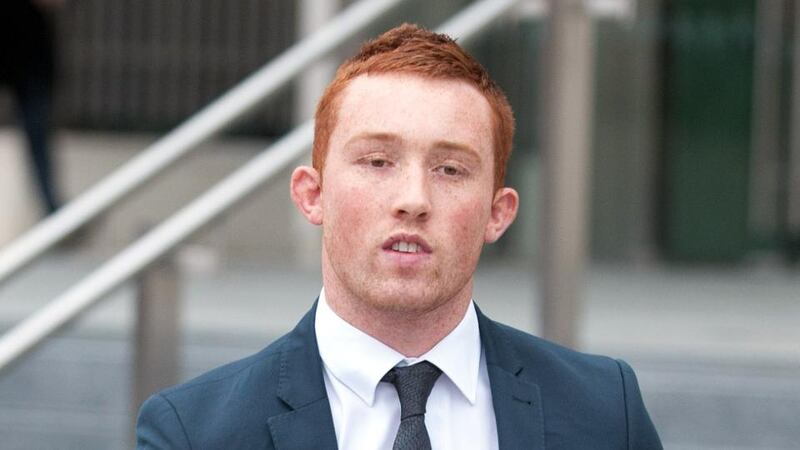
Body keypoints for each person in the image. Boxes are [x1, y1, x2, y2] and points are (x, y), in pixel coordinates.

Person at [136, 24, 662, 449]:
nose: (413, 198)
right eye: (378, 161)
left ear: (497, 214)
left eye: (451, 169)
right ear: (312, 194)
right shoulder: (195, 433)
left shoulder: (604, 410)